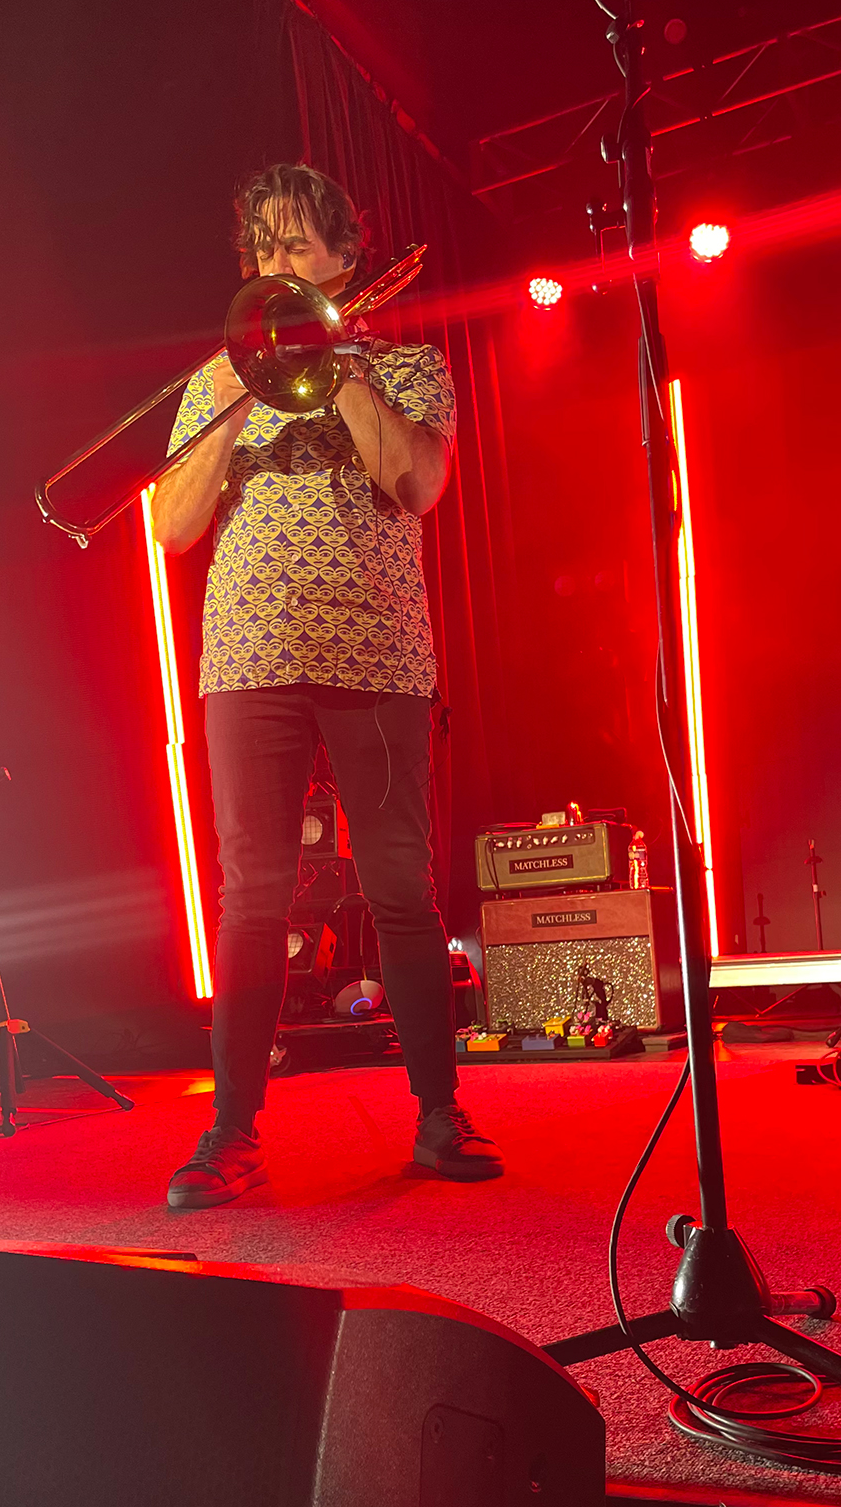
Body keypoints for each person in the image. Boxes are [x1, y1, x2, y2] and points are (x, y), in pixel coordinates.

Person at [152, 163, 503, 1208]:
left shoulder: (407, 367)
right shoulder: (216, 379)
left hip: (378, 654)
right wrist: (235, 396)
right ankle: (231, 1132)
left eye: (298, 244)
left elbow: (418, 483)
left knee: (400, 889)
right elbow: (172, 527)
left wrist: (336, 365)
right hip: (248, 657)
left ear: (346, 259)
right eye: (264, 247)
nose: (279, 263)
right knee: (250, 901)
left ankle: (438, 1114)